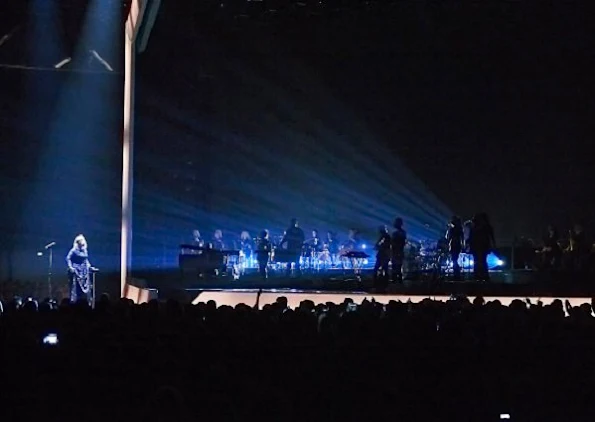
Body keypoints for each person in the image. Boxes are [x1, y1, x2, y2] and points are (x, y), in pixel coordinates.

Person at [66, 234, 94, 304]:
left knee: (87, 288)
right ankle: (76, 303)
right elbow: (68, 258)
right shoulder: (73, 250)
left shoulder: (84, 250)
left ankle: (86, 302)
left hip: (84, 271)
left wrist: (90, 266)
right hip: (77, 271)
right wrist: (71, 267)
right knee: (77, 288)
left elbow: (86, 260)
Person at [468, 213, 496, 282]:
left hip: (479, 246)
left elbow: (471, 238)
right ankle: (483, 276)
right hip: (482, 246)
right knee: (481, 261)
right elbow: (491, 237)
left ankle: (479, 276)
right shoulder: (485, 227)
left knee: (478, 261)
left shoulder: (476, 228)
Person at [373, 225, 391, 291]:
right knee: (384, 270)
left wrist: (378, 247)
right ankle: (385, 285)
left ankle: (376, 284)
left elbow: (378, 245)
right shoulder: (386, 237)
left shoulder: (384, 237)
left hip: (383, 255)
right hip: (384, 255)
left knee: (377, 269)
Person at [391, 218, 407, 283]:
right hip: (398, 252)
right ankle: (398, 282)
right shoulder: (402, 233)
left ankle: (396, 282)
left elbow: (400, 243)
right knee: (397, 268)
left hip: (397, 252)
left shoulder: (398, 233)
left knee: (396, 268)